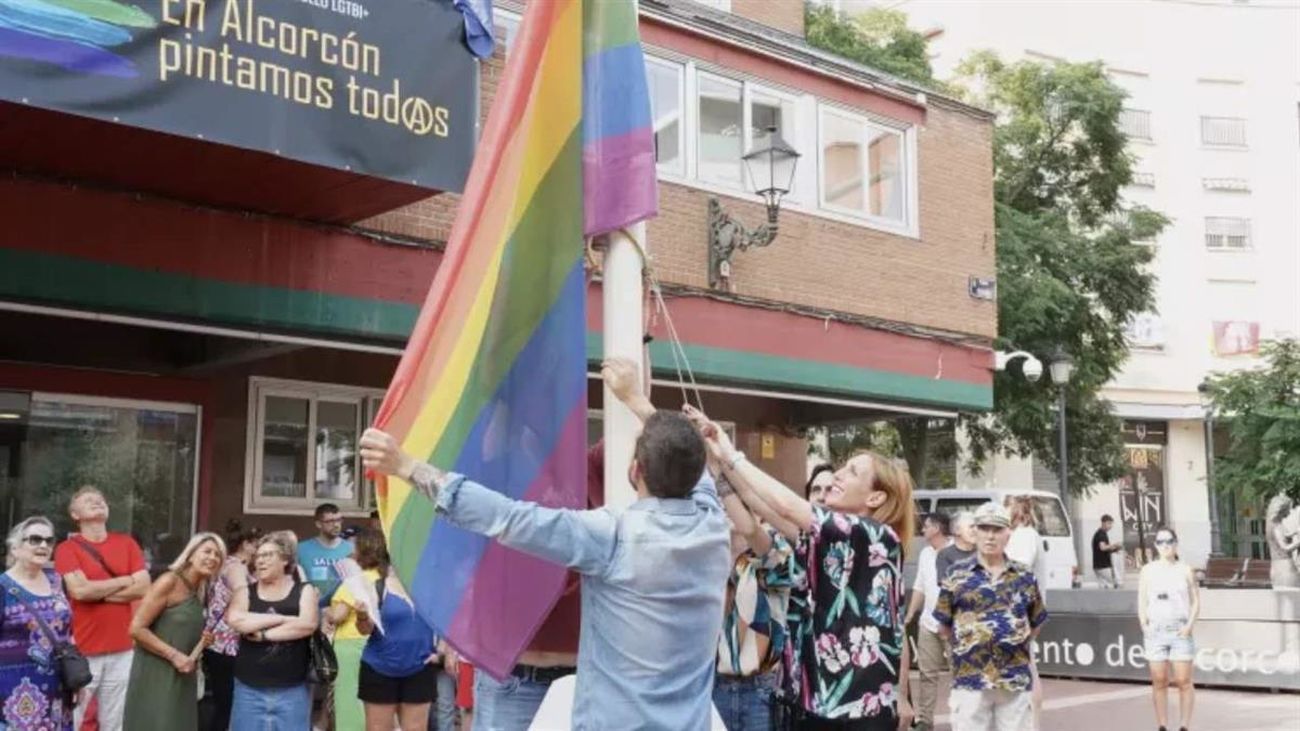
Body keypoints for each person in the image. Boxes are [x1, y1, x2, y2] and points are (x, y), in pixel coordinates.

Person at [359, 357, 731, 730]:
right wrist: (635, 398)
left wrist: (407, 467)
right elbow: (684, 456)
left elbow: (505, 517)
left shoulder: (613, 535)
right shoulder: (712, 523)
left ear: (635, 471)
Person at [687, 405, 916, 730]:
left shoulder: (876, 536)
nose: (837, 475)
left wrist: (729, 451)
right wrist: (718, 462)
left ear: (876, 498)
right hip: (812, 706)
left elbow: (783, 504)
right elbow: (759, 504)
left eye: (851, 472)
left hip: (854, 712)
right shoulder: (827, 543)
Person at [934, 502, 1047, 731]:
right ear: (974, 532)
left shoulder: (1024, 576)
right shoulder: (956, 575)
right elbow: (943, 625)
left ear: (1008, 534)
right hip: (970, 679)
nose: (990, 536)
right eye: (984, 529)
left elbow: (1036, 621)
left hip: (1013, 678)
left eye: (997, 530)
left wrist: (1014, 644)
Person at [53, 485, 150, 731]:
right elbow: (79, 591)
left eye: (101, 500)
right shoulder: (67, 549)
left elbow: (143, 588)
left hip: (123, 649)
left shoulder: (126, 543)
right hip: (83, 650)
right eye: (88, 500)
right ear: (75, 515)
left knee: (114, 723)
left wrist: (98, 592)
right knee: (73, 719)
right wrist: (125, 580)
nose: (98, 502)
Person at [712, 467, 795, 731]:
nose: (728, 506)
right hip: (710, 685)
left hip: (761, 689)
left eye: (737, 499)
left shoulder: (776, 553)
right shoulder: (705, 557)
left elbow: (762, 545)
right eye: (722, 499)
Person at [123, 532, 226, 731]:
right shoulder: (169, 581)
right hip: (157, 672)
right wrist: (175, 655)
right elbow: (136, 629)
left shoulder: (201, 588)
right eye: (207, 551)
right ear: (190, 554)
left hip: (183, 674)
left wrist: (203, 639)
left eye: (218, 554)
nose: (212, 558)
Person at [227, 532, 320, 730]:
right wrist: (284, 619)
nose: (260, 561)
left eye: (268, 555)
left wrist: (263, 635)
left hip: (292, 690)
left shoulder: (305, 590)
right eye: (258, 556)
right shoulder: (246, 591)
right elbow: (236, 620)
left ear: (285, 560)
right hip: (248, 690)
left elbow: (307, 625)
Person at [351, 534, 441, 731]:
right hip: (379, 667)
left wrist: (441, 651)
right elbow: (365, 629)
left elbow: (446, 622)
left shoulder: (431, 586)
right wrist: (362, 616)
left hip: (420, 666)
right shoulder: (378, 585)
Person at [1, 516, 74, 730]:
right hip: (12, 692)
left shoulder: (57, 581)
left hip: (59, 688)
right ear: (15, 549)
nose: (43, 545)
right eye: (35, 539)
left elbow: (69, 632)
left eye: (49, 540)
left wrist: (76, 676)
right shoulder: (3, 588)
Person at [327, 531, 392, 731]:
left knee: (349, 696)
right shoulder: (386, 578)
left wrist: (325, 611)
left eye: (354, 548)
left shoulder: (356, 580)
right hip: (379, 644)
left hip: (351, 643)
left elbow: (338, 615)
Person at [1138, 526, 1199, 731]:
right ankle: (1162, 725)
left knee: (1183, 680)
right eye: (1160, 542)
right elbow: (1141, 600)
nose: (1165, 545)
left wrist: (1189, 626)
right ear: (1155, 545)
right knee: (1159, 680)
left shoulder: (1185, 569)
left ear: (1175, 543)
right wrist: (1143, 624)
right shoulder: (1148, 570)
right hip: (1155, 630)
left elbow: (1196, 600)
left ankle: (1184, 725)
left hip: (1179, 629)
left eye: (1169, 541)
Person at [201, 520, 259, 731]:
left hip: (218, 642)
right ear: (246, 544)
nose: (258, 549)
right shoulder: (236, 567)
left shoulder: (224, 564)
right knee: (229, 705)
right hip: (228, 643)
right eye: (256, 543)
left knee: (224, 703)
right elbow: (243, 593)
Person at [904, 512, 952, 731]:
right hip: (928, 623)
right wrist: (910, 614)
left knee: (961, 674)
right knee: (926, 674)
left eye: (927, 526)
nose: (923, 530)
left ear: (939, 528)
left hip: (953, 626)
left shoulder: (956, 552)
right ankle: (925, 721)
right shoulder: (924, 553)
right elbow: (920, 587)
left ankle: (966, 719)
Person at [298, 503, 354, 608]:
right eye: (330, 521)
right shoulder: (301, 550)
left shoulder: (352, 550)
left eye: (339, 520)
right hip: (312, 613)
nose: (336, 525)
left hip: (343, 613)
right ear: (318, 524)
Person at [936, 511, 977, 581]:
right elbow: (947, 585)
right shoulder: (945, 555)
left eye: (977, 526)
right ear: (957, 530)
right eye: (971, 526)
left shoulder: (985, 551)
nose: (976, 530)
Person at [1091, 515, 1123, 589]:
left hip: (1098, 565)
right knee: (1118, 583)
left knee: (1104, 587)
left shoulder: (1101, 533)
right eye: (1109, 523)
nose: (1110, 526)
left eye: (1111, 524)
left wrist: (1114, 549)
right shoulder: (1101, 534)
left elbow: (1102, 549)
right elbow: (1102, 547)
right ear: (1103, 523)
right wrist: (1115, 545)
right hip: (1103, 566)